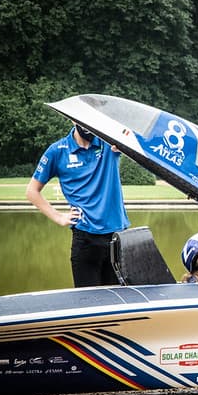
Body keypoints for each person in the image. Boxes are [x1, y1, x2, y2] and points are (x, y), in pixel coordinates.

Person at [26, 122, 129, 287]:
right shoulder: (57, 151)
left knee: (119, 304)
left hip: (118, 237)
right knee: (89, 305)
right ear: (74, 120)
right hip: (85, 238)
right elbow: (32, 191)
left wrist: (124, 142)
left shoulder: (109, 143)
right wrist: (59, 217)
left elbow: (131, 138)